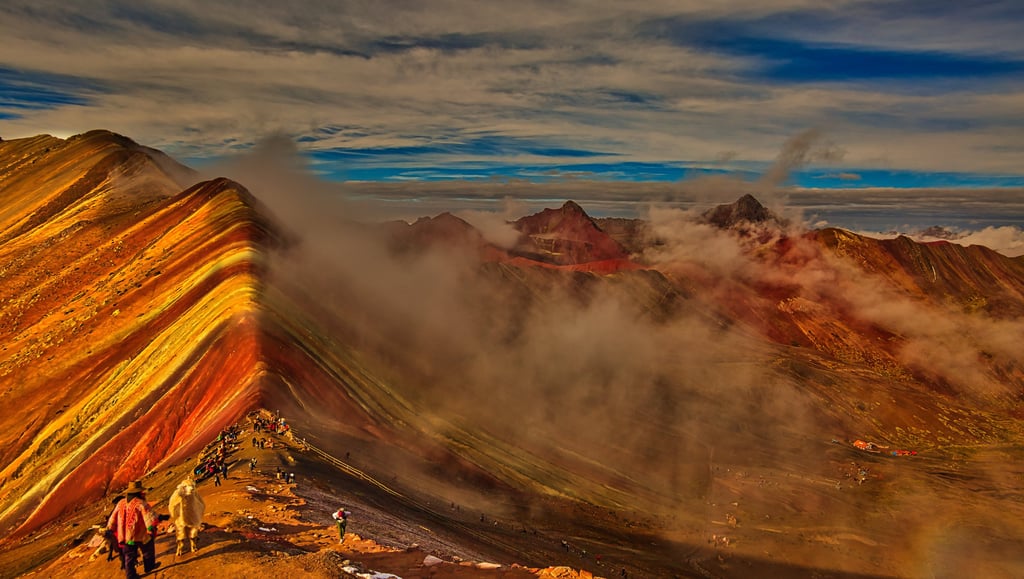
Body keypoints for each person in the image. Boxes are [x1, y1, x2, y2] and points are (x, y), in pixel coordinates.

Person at [107, 480, 161, 579]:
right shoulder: (141, 503)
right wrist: (151, 528)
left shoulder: (121, 503)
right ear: (139, 492)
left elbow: (113, 517)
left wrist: (110, 528)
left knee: (129, 556)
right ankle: (149, 567)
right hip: (140, 534)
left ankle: (131, 575)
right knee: (148, 549)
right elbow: (149, 517)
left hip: (125, 536)